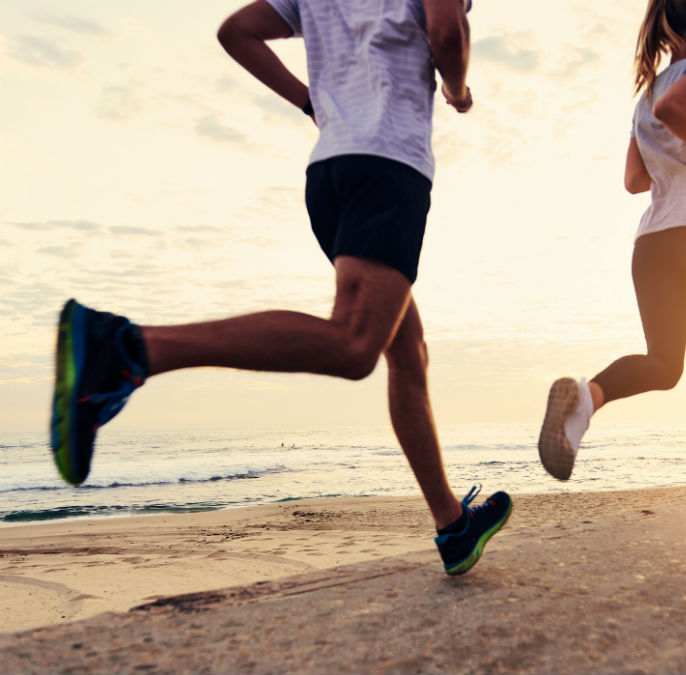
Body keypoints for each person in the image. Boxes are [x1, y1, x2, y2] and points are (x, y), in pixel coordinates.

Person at [50, 0, 510, 575]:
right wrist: (459, 87)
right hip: (389, 162)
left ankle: (452, 526)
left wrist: (309, 100)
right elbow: (446, 30)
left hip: (331, 172)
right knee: (354, 345)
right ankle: (128, 349)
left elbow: (238, 32)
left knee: (407, 350)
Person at [537, 0, 686, 527]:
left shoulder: (642, 95)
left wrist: (674, 163)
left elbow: (634, 179)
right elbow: (676, 107)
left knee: (664, 364)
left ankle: (587, 396)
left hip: (655, 241)